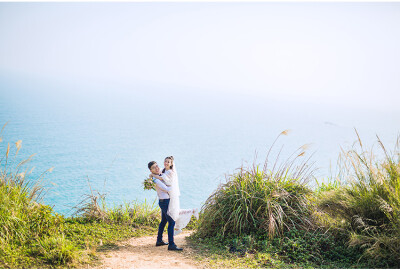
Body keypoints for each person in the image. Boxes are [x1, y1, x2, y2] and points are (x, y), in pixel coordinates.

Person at [150, 156, 199, 236]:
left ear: (171, 164)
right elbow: (160, 175)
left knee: (173, 212)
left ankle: (178, 227)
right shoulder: (164, 170)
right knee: (173, 212)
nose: (166, 163)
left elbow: (161, 178)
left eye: (168, 162)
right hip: (167, 194)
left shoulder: (170, 172)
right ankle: (189, 214)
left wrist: (152, 175)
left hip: (171, 193)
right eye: (165, 161)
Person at [148, 161, 183, 251]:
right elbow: (167, 188)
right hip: (165, 202)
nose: (157, 168)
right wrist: (174, 185)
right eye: (153, 167)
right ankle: (171, 244)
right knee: (171, 222)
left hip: (164, 201)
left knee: (163, 221)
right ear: (150, 170)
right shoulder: (156, 180)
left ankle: (159, 240)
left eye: (157, 166)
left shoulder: (159, 176)